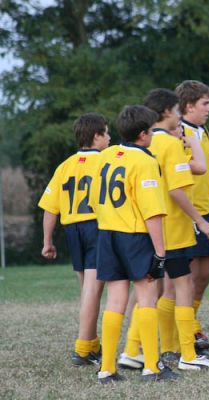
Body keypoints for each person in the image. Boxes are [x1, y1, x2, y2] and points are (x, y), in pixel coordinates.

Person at [117, 89, 209, 371]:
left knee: (152, 289)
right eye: (177, 110)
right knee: (181, 285)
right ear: (167, 112)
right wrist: (200, 221)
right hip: (171, 225)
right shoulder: (169, 144)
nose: (179, 115)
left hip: (146, 225)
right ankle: (187, 353)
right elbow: (177, 190)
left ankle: (133, 349)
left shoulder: (145, 143)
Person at [92, 105, 177, 383]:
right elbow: (152, 212)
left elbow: (95, 200)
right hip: (135, 236)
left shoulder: (105, 156)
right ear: (143, 134)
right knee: (147, 296)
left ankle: (107, 369)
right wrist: (160, 253)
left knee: (115, 299)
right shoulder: (144, 161)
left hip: (107, 233)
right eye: (151, 130)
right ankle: (151, 366)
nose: (153, 134)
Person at [38, 113, 110, 367]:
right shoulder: (105, 161)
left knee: (87, 290)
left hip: (72, 229)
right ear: (96, 136)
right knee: (94, 290)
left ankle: (91, 344)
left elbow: (50, 208)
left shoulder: (65, 165)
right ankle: (82, 349)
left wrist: (47, 240)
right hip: (96, 226)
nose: (110, 138)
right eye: (107, 133)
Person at [176, 80, 209, 351]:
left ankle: (190, 321)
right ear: (189, 106)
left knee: (204, 274)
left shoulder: (201, 130)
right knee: (186, 277)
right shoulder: (178, 134)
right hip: (187, 212)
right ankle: (187, 330)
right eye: (205, 104)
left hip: (206, 209)